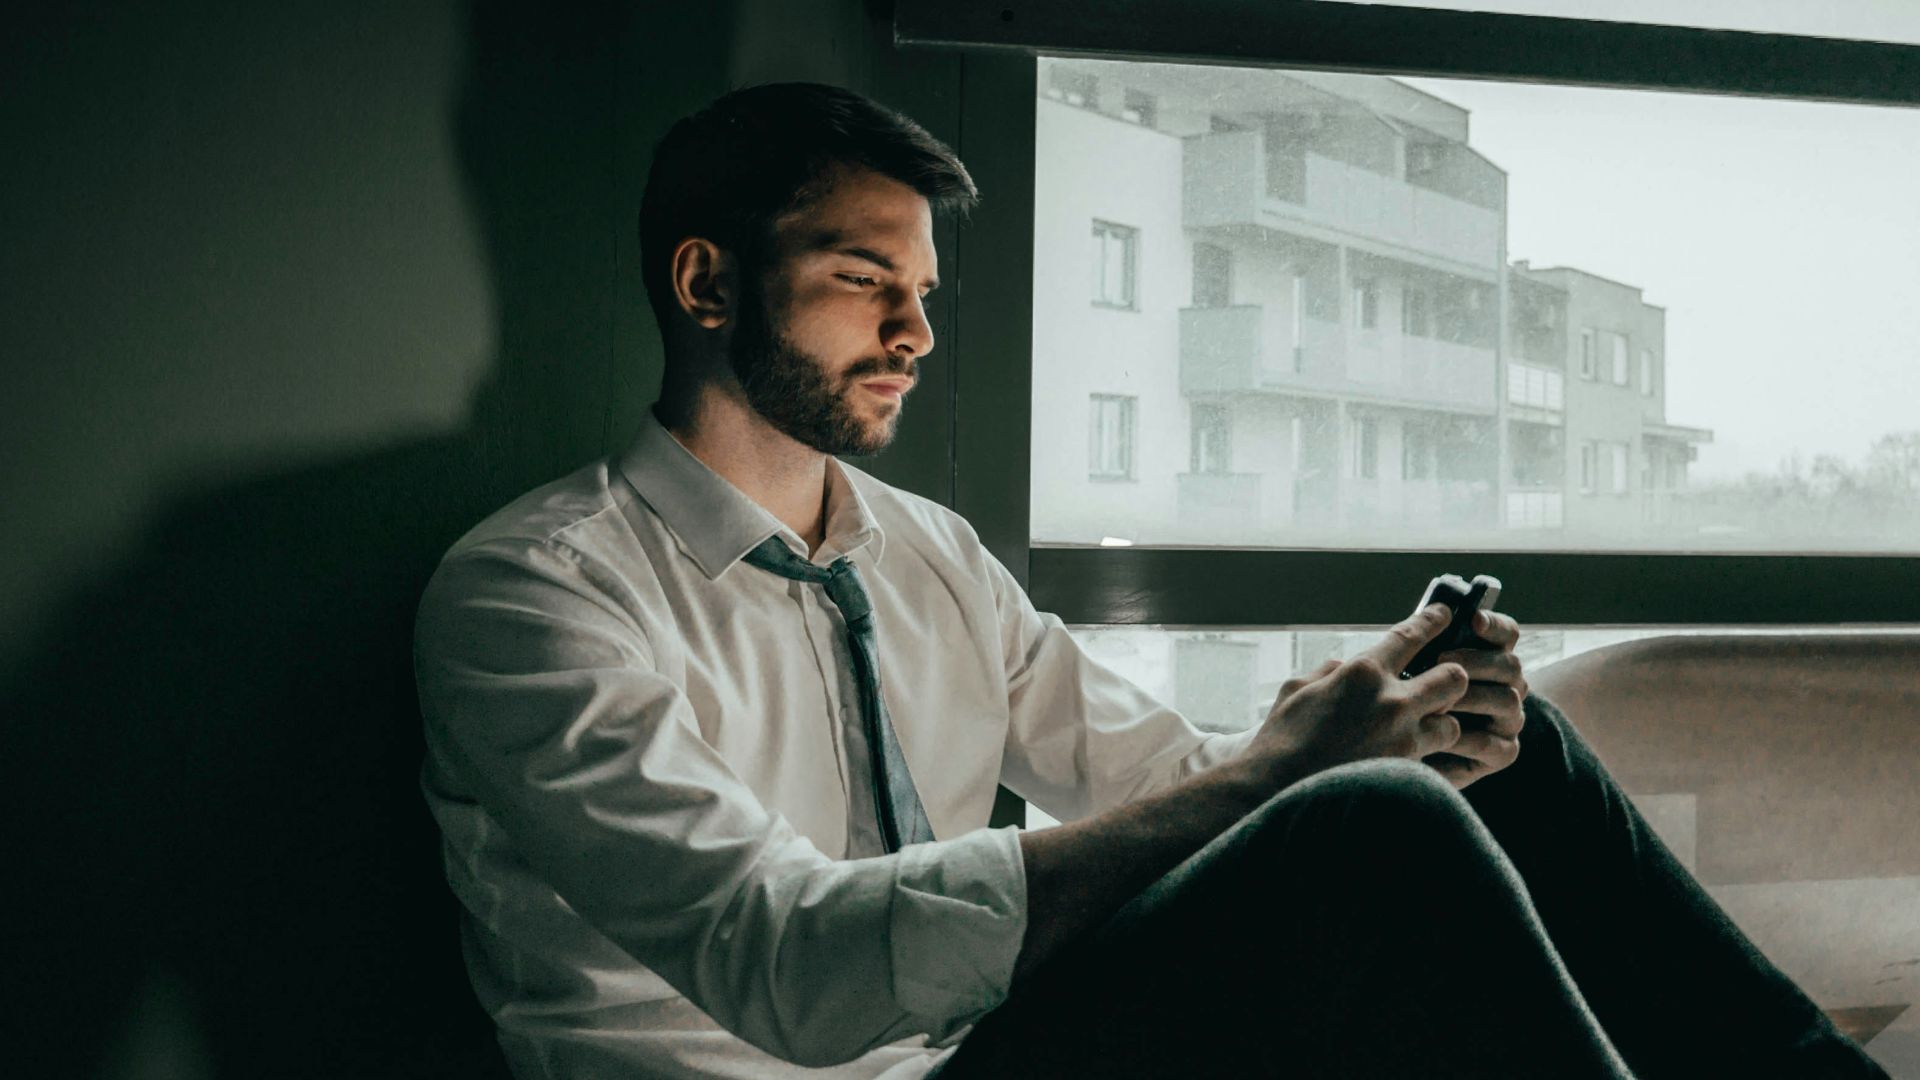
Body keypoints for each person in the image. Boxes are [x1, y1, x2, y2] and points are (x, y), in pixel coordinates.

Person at [413, 82, 1885, 1078]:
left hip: (983, 1052)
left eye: (927, 293)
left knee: (1483, 757)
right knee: (1366, 818)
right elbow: (787, 967)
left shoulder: (926, 554)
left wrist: (1371, 717)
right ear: (708, 284)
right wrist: (1298, 784)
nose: (918, 333)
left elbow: (1164, 783)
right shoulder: (536, 598)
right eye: (868, 280)